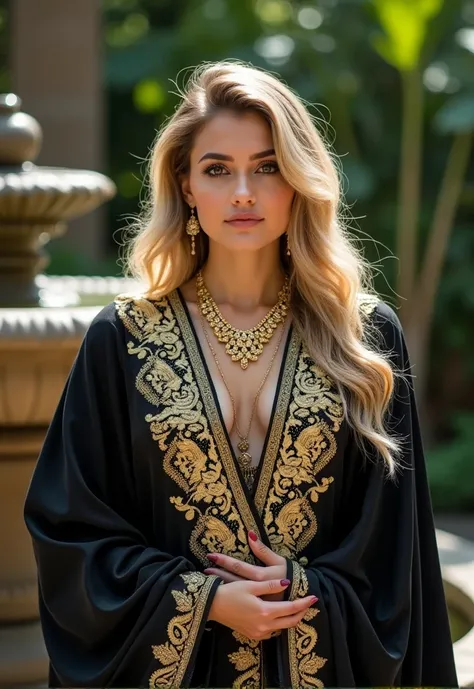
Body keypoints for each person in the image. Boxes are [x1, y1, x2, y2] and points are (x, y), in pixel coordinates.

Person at [24, 61, 458, 689]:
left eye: (268, 166)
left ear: (299, 182)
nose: (244, 193)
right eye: (218, 169)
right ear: (186, 185)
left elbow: (397, 550)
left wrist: (299, 591)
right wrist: (204, 601)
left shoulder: (363, 338)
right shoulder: (120, 340)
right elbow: (70, 534)